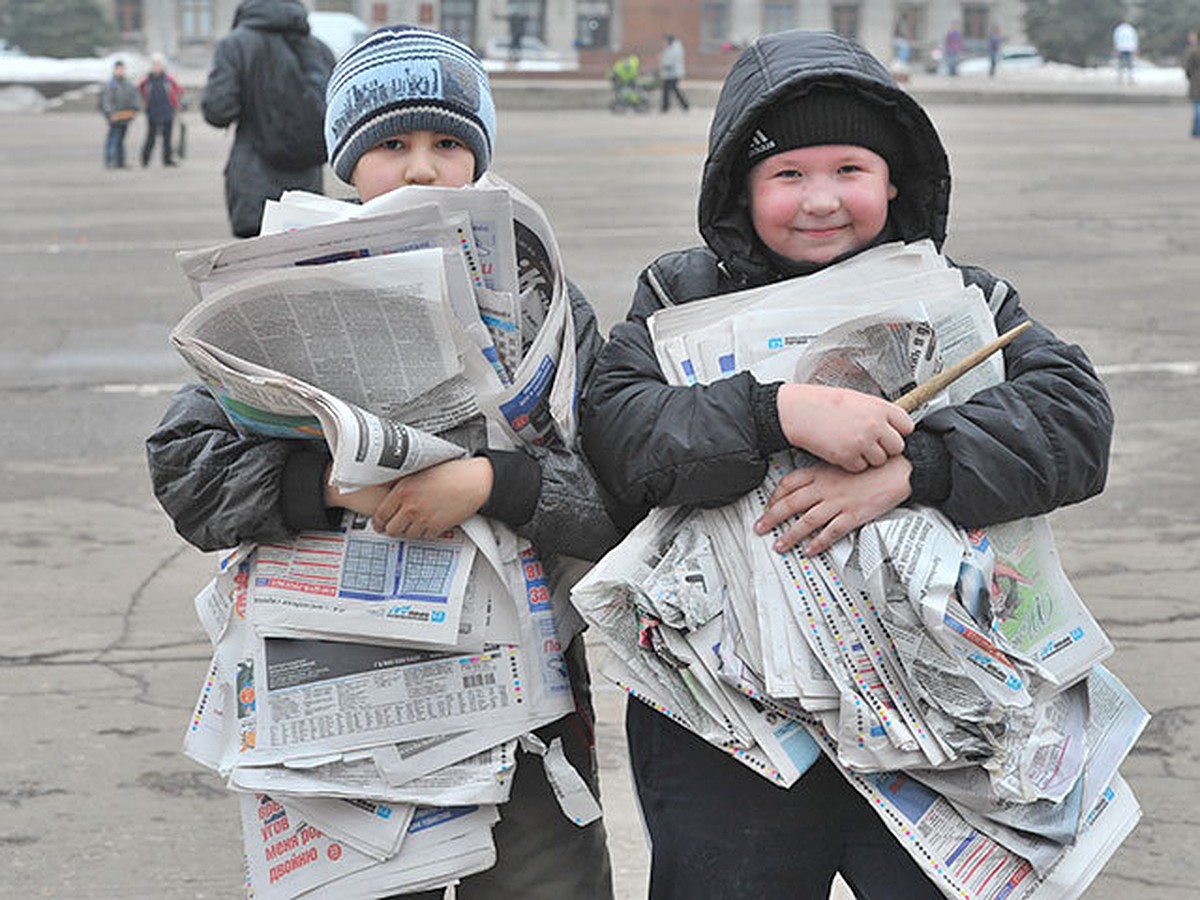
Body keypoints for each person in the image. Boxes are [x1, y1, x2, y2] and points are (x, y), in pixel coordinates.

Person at [581, 28, 1113, 900]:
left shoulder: (961, 293)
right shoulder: (680, 296)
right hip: (738, 729)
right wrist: (773, 410)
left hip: (934, 714)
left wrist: (917, 467)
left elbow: (1073, 420)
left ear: (894, 179)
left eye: (849, 170)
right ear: (738, 188)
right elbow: (620, 433)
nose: (820, 200)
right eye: (787, 175)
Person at [147, 25, 625, 900]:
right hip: (333, 678)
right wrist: (327, 486)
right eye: (390, 145)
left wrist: (495, 481)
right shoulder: (279, 293)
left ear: (480, 164)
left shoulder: (550, 302)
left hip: (520, 688)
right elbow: (187, 471)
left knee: (542, 879)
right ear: (346, 163)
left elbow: (616, 493)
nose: (420, 169)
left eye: (449, 144)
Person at [202, 0, 335, 238]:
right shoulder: (319, 49)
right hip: (308, 187)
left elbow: (218, 111)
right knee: (305, 267)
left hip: (254, 182)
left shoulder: (234, 45)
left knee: (256, 270)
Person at [137, 53, 184, 168]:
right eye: (155, 65)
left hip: (167, 111)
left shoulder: (168, 79)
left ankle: (167, 159)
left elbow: (178, 90)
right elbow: (140, 90)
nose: (157, 67)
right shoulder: (147, 80)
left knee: (167, 138)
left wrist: (177, 106)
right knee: (151, 137)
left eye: (159, 65)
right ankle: (145, 159)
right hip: (152, 112)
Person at [98, 60, 140, 169]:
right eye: (118, 69)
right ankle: (110, 160)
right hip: (114, 116)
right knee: (113, 139)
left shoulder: (128, 84)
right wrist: (110, 114)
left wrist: (134, 110)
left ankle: (120, 161)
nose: (120, 71)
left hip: (125, 116)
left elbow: (135, 98)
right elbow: (106, 100)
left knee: (121, 139)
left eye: (122, 69)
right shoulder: (110, 84)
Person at [659, 33, 689, 112]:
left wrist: (664, 66)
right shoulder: (671, 49)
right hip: (669, 74)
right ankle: (667, 107)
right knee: (670, 90)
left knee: (673, 90)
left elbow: (671, 62)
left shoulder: (674, 50)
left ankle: (667, 107)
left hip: (673, 74)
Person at [1114, 18, 1139, 85]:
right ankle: (1125, 79)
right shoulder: (1129, 29)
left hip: (1124, 48)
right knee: (1126, 64)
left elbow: (1116, 39)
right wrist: (1135, 48)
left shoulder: (1120, 29)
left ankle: (1124, 79)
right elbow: (1134, 39)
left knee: (1125, 64)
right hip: (1127, 48)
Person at [1185, 28, 1200, 137]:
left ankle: (1196, 130)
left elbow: (1188, 68)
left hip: (1196, 82)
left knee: (1197, 108)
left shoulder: (1193, 51)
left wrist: (1190, 77)